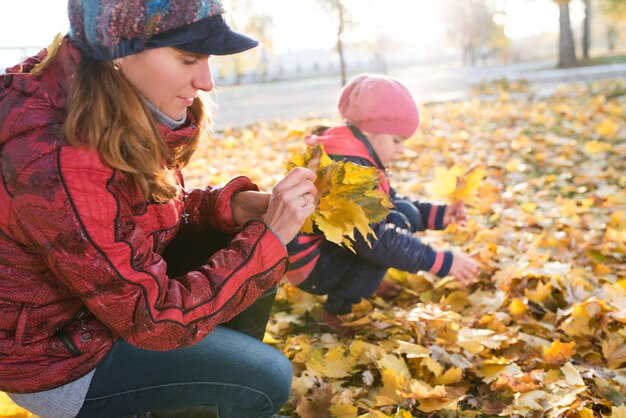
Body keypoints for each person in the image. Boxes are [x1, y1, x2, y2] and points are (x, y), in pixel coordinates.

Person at [0, 1, 318, 417]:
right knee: (268, 376)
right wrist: (269, 238)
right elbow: (152, 320)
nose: (206, 81)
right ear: (122, 52)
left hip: (95, 306)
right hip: (58, 356)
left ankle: (190, 397)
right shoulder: (60, 158)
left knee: (253, 241)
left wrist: (231, 208)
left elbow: (129, 220)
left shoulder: (100, 93)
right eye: (189, 58)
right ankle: (206, 391)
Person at [286, 73, 481, 336]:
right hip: (311, 265)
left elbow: (395, 203)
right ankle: (338, 312)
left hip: (325, 251)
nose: (400, 150)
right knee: (384, 242)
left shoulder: (356, 155)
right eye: (396, 141)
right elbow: (375, 241)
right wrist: (441, 261)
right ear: (369, 131)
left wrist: (441, 214)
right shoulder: (348, 169)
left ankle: (361, 283)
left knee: (400, 215)